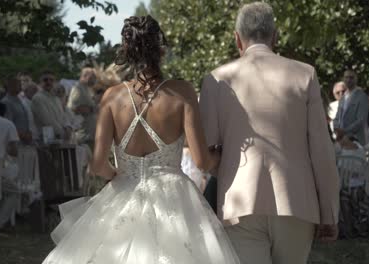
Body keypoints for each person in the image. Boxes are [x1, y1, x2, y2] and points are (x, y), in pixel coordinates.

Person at [42, 15, 239, 264]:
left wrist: (121, 176)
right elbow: (201, 161)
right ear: (161, 50)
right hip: (174, 196)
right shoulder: (182, 92)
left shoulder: (111, 97)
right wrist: (220, 154)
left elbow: (97, 165)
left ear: (128, 52)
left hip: (123, 191)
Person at [200, 3, 339, 264]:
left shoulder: (216, 79)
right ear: (275, 36)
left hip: (239, 204)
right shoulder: (305, 74)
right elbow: (321, 150)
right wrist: (329, 211)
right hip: (297, 202)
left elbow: (206, 151)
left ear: (237, 38)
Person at [31, 71, 71, 140]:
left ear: (55, 82)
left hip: (60, 137)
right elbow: (47, 121)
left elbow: (63, 116)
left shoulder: (56, 98)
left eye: (51, 80)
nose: (48, 82)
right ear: (40, 82)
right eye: (45, 80)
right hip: (46, 139)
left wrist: (68, 127)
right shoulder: (37, 98)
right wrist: (63, 133)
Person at [333, 69, 369, 144]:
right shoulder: (343, 97)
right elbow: (337, 116)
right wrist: (336, 129)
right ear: (343, 79)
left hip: (356, 139)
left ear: (356, 79)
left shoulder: (362, 96)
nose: (348, 80)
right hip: (341, 138)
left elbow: (361, 120)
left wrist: (344, 131)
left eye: (351, 77)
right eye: (346, 77)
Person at [0, 76, 31, 143]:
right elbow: (8, 125)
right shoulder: (6, 102)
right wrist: (23, 136)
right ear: (9, 86)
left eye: (20, 83)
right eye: (17, 84)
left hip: (26, 142)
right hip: (16, 143)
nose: (20, 86)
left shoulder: (19, 99)